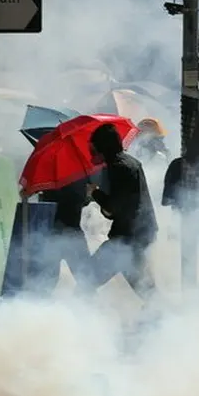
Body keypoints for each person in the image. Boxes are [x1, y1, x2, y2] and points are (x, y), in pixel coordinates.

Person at [84, 123, 159, 301]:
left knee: (86, 279)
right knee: (144, 288)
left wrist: (94, 192)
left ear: (103, 147)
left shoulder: (119, 168)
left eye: (94, 148)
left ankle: (72, 318)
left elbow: (112, 207)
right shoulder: (129, 163)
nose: (91, 152)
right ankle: (161, 318)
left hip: (128, 237)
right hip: (139, 233)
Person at [38, 184, 93, 292]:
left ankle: (39, 304)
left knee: (46, 281)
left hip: (52, 233)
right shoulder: (78, 176)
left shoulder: (47, 180)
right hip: (73, 233)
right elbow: (84, 201)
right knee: (87, 279)